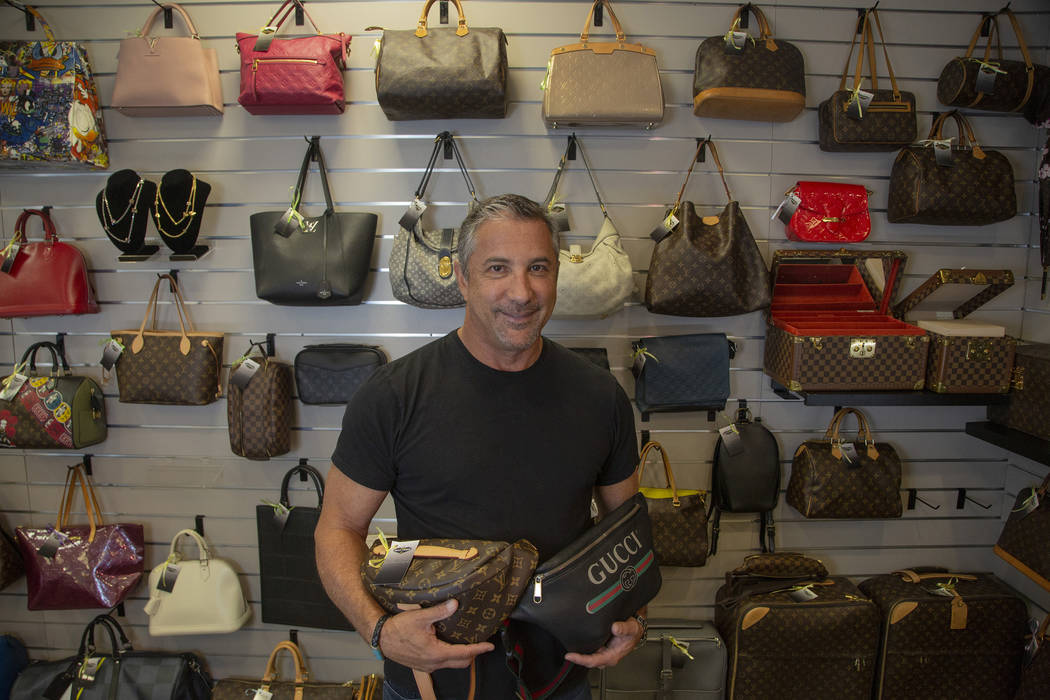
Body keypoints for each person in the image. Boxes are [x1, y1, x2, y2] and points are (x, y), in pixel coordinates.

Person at [316, 194, 645, 699]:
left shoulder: (601, 397)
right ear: (464, 280)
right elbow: (338, 528)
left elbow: (629, 535)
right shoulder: (393, 396)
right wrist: (379, 630)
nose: (522, 291)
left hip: (559, 678)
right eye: (498, 268)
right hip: (431, 685)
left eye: (539, 267)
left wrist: (633, 615)